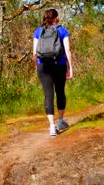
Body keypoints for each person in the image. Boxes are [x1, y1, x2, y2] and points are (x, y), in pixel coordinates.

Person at [33, 8, 73, 136]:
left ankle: (51, 127)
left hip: (43, 66)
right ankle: (61, 121)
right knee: (60, 92)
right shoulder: (62, 30)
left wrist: (37, 67)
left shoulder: (38, 31)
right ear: (56, 18)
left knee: (48, 95)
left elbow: (34, 53)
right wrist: (70, 67)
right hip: (59, 65)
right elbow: (68, 50)